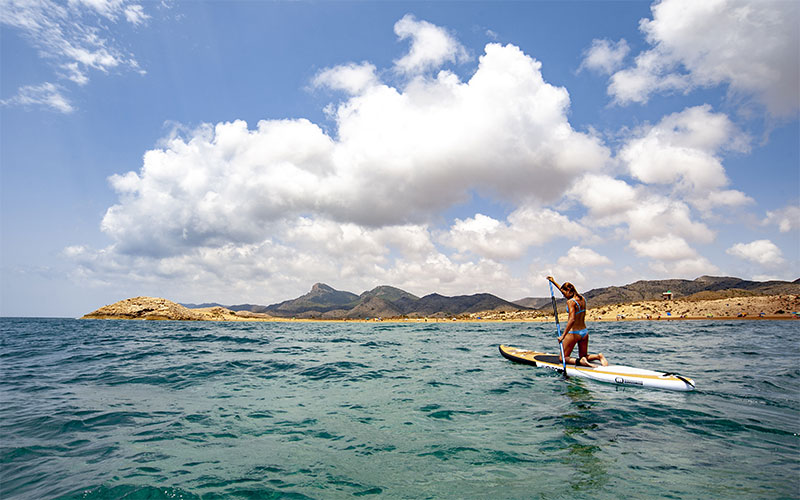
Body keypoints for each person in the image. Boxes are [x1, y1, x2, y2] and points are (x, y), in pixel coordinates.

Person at [547, 276, 608, 367]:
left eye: (564, 294)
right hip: (584, 332)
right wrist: (553, 282)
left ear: (569, 291)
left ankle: (581, 362)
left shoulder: (571, 302)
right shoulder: (582, 299)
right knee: (583, 355)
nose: (563, 296)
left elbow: (572, 319)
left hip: (574, 333)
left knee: (563, 357)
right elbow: (563, 290)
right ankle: (598, 356)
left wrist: (563, 336)